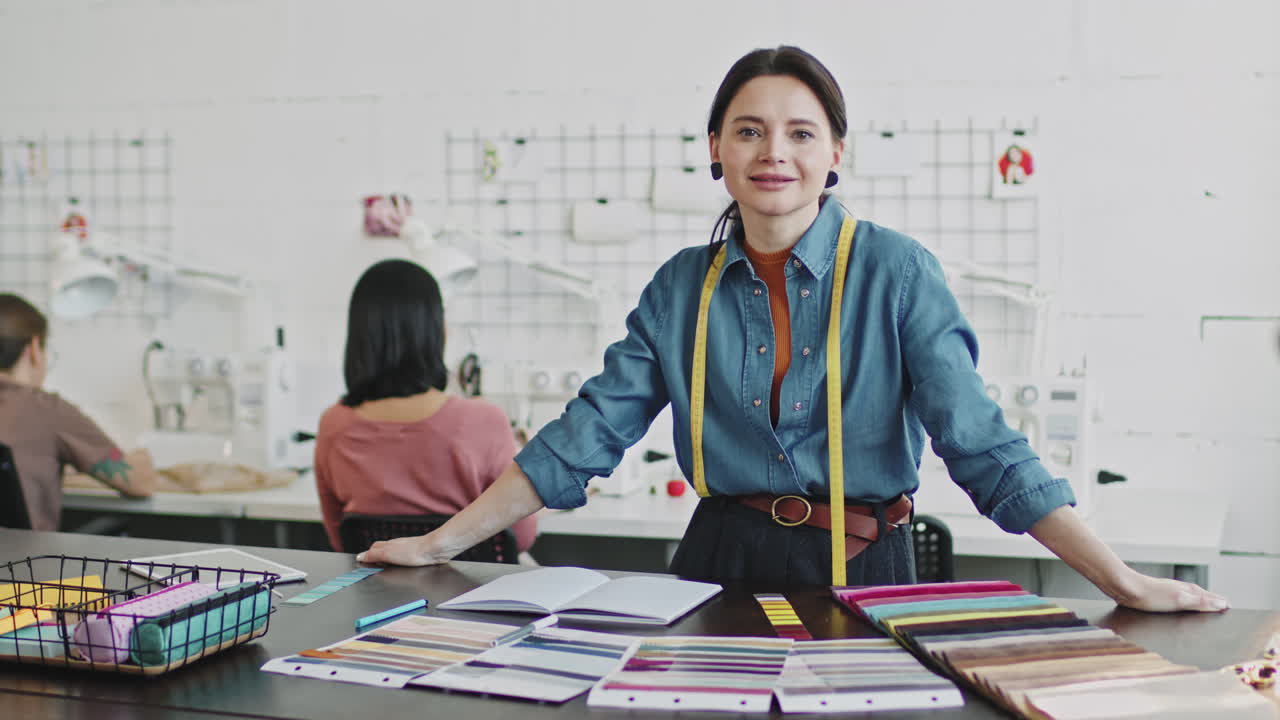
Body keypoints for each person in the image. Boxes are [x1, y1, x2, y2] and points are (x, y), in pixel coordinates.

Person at [358, 47, 1227, 613]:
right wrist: (438, 542)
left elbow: (983, 447)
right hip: (718, 564)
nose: (775, 150)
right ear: (717, 151)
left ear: (834, 153)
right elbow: (582, 438)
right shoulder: (678, 289)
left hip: (865, 568)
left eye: (800, 132)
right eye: (750, 130)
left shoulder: (897, 273)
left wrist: (1120, 580)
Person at [313, 259, 537, 555]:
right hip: (467, 597)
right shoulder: (485, 420)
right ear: (438, 331)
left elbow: (339, 540)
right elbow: (520, 537)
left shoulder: (334, 424)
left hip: (377, 598)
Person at [0, 293, 156, 529]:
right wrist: (141, 456)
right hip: (26, 564)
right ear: (33, 349)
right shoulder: (46, 410)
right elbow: (139, 482)